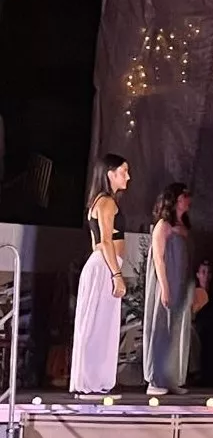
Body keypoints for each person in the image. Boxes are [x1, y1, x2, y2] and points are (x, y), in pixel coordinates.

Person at [70, 154, 131, 399]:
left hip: (104, 265)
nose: (128, 176)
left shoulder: (100, 201)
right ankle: (91, 382)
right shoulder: (106, 202)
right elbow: (105, 241)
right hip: (105, 266)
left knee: (100, 326)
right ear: (110, 173)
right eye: (123, 171)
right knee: (97, 326)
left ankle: (95, 382)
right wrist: (116, 274)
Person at [143, 182, 195, 396]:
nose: (187, 201)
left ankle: (172, 377)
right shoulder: (163, 225)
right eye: (184, 197)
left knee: (177, 329)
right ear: (174, 200)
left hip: (181, 279)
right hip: (167, 280)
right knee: (161, 328)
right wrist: (165, 287)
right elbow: (158, 258)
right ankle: (155, 379)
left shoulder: (183, 226)